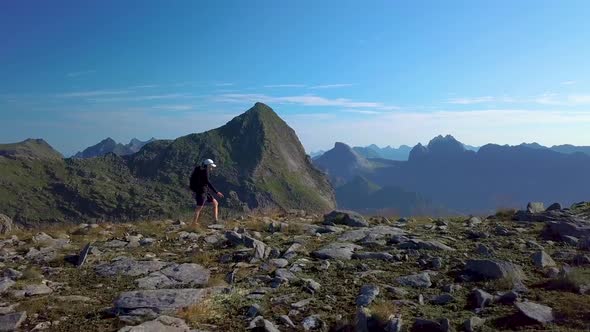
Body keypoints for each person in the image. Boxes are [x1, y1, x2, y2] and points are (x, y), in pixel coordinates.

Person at [190, 158, 224, 225]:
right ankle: (194, 223)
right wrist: (217, 192)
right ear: (208, 166)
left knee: (215, 203)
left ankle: (215, 220)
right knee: (199, 207)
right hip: (202, 192)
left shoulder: (198, 169)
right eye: (211, 166)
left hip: (203, 191)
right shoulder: (205, 172)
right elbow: (208, 182)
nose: (212, 168)